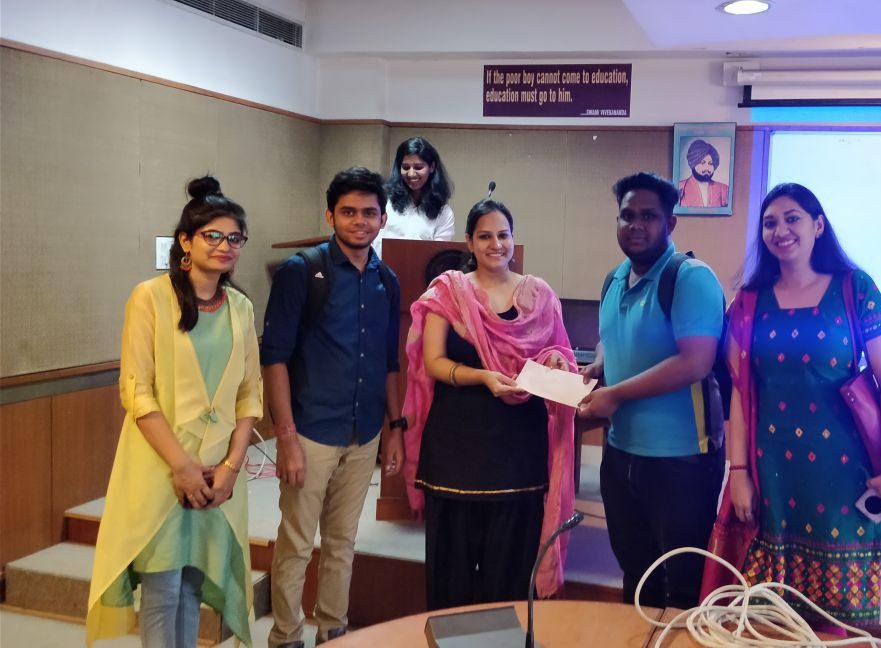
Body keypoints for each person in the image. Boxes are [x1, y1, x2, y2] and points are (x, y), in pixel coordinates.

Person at [726, 182, 881, 628]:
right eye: (770, 223)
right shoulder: (749, 302)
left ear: (818, 226)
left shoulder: (855, 288)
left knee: (840, 617)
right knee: (769, 615)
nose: (781, 230)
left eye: (793, 219)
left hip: (844, 472)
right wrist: (738, 472)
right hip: (772, 472)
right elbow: (739, 390)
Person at [87, 177, 260, 647]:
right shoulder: (150, 297)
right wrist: (182, 467)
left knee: (192, 584)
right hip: (161, 466)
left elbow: (250, 395)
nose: (225, 246)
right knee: (163, 589)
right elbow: (137, 392)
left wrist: (230, 467)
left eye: (235, 238)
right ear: (185, 241)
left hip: (218, 471)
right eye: (212, 235)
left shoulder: (240, 307)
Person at [401, 199, 576, 610]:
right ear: (469, 241)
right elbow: (433, 362)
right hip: (457, 450)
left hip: (519, 452)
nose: (496, 244)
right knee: (452, 576)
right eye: (485, 236)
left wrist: (555, 362)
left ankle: (504, 639)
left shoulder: (539, 295)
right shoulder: (448, 291)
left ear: (513, 238)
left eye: (503, 235)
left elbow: (559, 354)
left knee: (509, 573)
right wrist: (482, 376)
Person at [261, 167, 405, 647]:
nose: (359, 221)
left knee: (342, 543)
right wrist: (285, 438)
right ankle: (286, 636)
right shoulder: (302, 271)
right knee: (297, 544)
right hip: (310, 432)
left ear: (383, 219)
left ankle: (333, 633)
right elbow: (274, 358)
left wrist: (395, 429)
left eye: (369, 212)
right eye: (348, 212)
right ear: (330, 215)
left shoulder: (387, 280)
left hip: (364, 433)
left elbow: (389, 362)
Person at [577, 172, 726, 609]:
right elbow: (611, 337)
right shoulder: (614, 279)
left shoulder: (690, 278)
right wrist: (600, 365)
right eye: (627, 216)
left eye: (649, 216)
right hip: (621, 454)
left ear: (670, 223)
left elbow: (695, 361)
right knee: (636, 575)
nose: (636, 225)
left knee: (682, 586)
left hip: (682, 461)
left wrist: (616, 394)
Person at [379, 137, 455, 241]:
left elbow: (440, 250)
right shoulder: (385, 201)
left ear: (432, 167)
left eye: (418, 167)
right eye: (405, 167)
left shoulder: (444, 213)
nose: (411, 174)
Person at [677, 138, 729, 208]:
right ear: (693, 163)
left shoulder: (724, 189)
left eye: (710, 163)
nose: (707, 168)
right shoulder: (680, 187)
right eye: (702, 163)